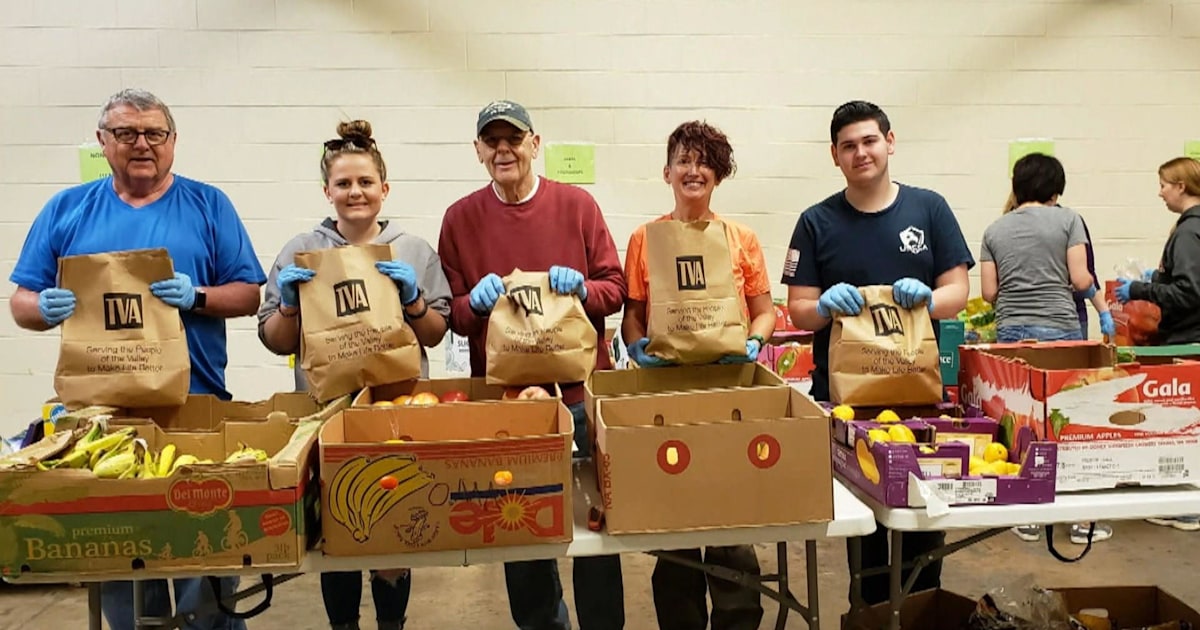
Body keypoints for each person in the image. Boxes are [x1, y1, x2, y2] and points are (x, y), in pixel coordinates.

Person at [9, 89, 263, 630]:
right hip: (103, 416)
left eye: (154, 133)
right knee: (123, 557)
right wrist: (45, 308)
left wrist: (197, 296)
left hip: (195, 402)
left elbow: (247, 294)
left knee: (207, 548)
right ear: (103, 142)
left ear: (173, 143)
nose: (141, 144)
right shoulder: (66, 209)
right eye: (126, 133)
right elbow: (21, 303)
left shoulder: (208, 204)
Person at [438, 100, 626, 629]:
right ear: (478, 151)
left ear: (534, 145)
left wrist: (583, 289)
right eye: (492, 141)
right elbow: (451, 315)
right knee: (519, 530)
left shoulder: (577, 206)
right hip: (509, 411)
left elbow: (615, 290)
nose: (504, 150)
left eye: (513, 139)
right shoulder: (460, 219)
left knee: (598, 530)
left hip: (581, 398)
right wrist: (474, 302)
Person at [257, 120, 452, 630]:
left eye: (365, 182)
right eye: (343, 184)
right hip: (324, 416)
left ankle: (392, 623)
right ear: (327, 191)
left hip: (398, 411)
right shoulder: (302, 249)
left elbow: (434, 333)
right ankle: (342, 624)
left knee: (389, 527)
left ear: (384, 189)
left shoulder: (413, 250)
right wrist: (292, 306)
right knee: (336, 534)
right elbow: (275, 339)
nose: (355, 192)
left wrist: (412, 299)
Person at [782, 100, 973, 606]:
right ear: (834, 156)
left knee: (922, 534)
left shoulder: (928, 209)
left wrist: (931, 298)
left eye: (869, 141)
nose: (860, 153)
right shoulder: (816, 221)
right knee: (865, 542)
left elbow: (959, 291)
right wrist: (823, 306)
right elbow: (798, 309)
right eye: (849, 146)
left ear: (890, 141)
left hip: (918, 403)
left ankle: (920, 612)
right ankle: (868, 616)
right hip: (846, 406)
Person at [620, 121, 775, 630]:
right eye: (684, 160)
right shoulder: (645, 239)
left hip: (728, 391)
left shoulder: (741, 238)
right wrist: (635, 343)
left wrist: (754, 341)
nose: (693, 170)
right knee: (677, 523)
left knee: (730, 522)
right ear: (667, 172)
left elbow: (764, 310)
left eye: (704, 161)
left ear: (718, 174)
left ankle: (737, 618)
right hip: (667, 393)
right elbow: (634, 313)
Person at [984, 155, 1118, 545]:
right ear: (1056, 190)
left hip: (1011, 330)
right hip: (1061, 328)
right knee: (1070, 419)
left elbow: (989, 293)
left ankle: (1026, 514)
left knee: (1021, 419)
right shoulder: (1068, 220)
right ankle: (1079, 520)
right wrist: (1104, 313)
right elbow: (1080, 278)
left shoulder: (994, 229)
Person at [1117, 156, 1200, 532]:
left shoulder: (1187, 233)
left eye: (1164, 184)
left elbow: (1189, 291)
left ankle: (1187, 506)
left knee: (1183, 425)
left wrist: (1142, 288)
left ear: (1181, 186)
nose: (1160, 191)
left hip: (1188, 341)